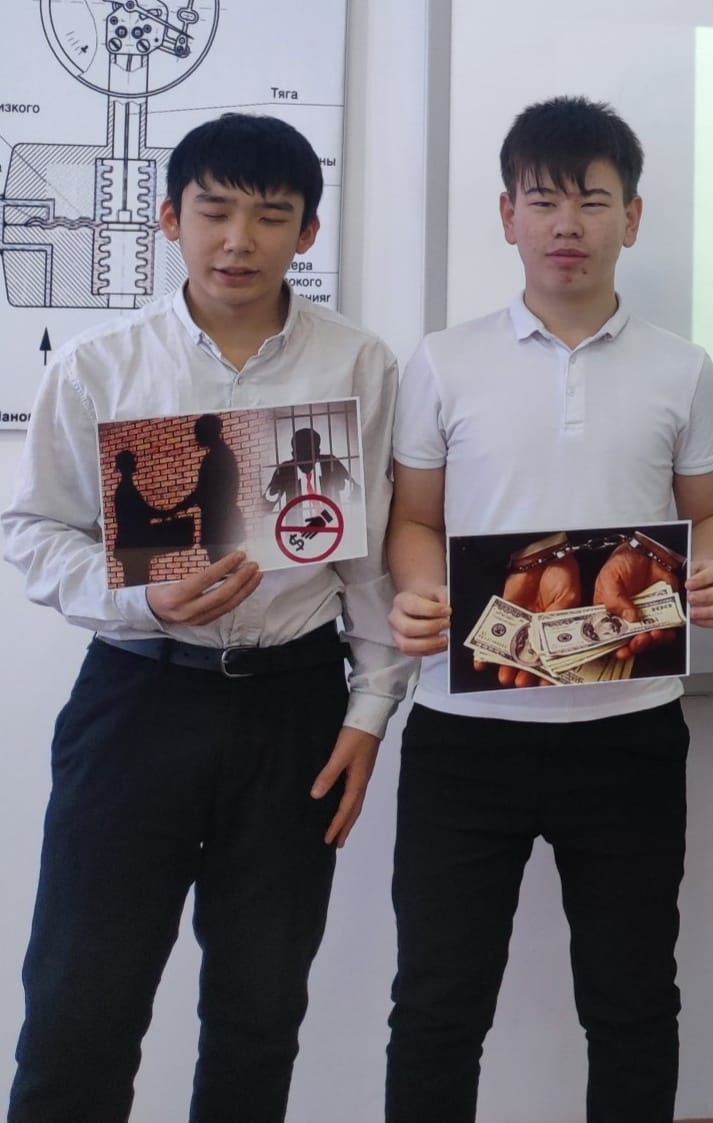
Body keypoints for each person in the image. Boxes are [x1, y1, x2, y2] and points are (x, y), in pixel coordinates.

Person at [0, 112, 404, 1123]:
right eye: (214, 211)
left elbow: (366, 561)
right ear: (168, 218)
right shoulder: (100, 364)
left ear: (308, 232)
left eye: (271, 216)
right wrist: (139, 596)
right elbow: (34, 530)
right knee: (79, 1003)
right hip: (138, 698)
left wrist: (368, 714)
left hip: (293, 704)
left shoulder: (358, 363)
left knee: (260, 1008)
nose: (239, 240)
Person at [381, 95, 713, 1123]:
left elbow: (712, 514)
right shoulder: (443, 359)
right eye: (543, 200)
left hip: (628, 733)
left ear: (634, 216)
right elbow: (414, 520)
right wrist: (420, 589)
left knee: (632, 1002)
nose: (567, 224)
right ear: (507, 216)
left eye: (592, 199)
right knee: (438, 1004)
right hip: (465, 730)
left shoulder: (683, 367)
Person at [109, 448, 196, 586]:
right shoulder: (126, 489)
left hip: (131, 546)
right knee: (137, 582)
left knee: (135, 582)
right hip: (134, 546)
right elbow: (144, 512)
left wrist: (165, 514)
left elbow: (143, 511)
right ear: (127, 465)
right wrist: (167, 513)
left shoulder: (126, 488)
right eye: (132, 461)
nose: (135, 463)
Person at [176, 412, 244, 561]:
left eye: (198, 433)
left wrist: (175, 509)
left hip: (218, 525)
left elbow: (201, 493)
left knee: (221, 566)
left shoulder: (214, 458)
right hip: (225, 523)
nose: (196, 437)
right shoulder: (224, 455)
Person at [265, 426, 358, 505]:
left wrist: (342, 485)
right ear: (293, 455)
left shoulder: (330, 463)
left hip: (329, 518)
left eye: (309, 452)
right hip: (298, 521)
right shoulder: (285, 470)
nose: (305, 458)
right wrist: (276, 483)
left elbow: (355, 491)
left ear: (318, 452)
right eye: (301, 453)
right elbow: (267, 503)